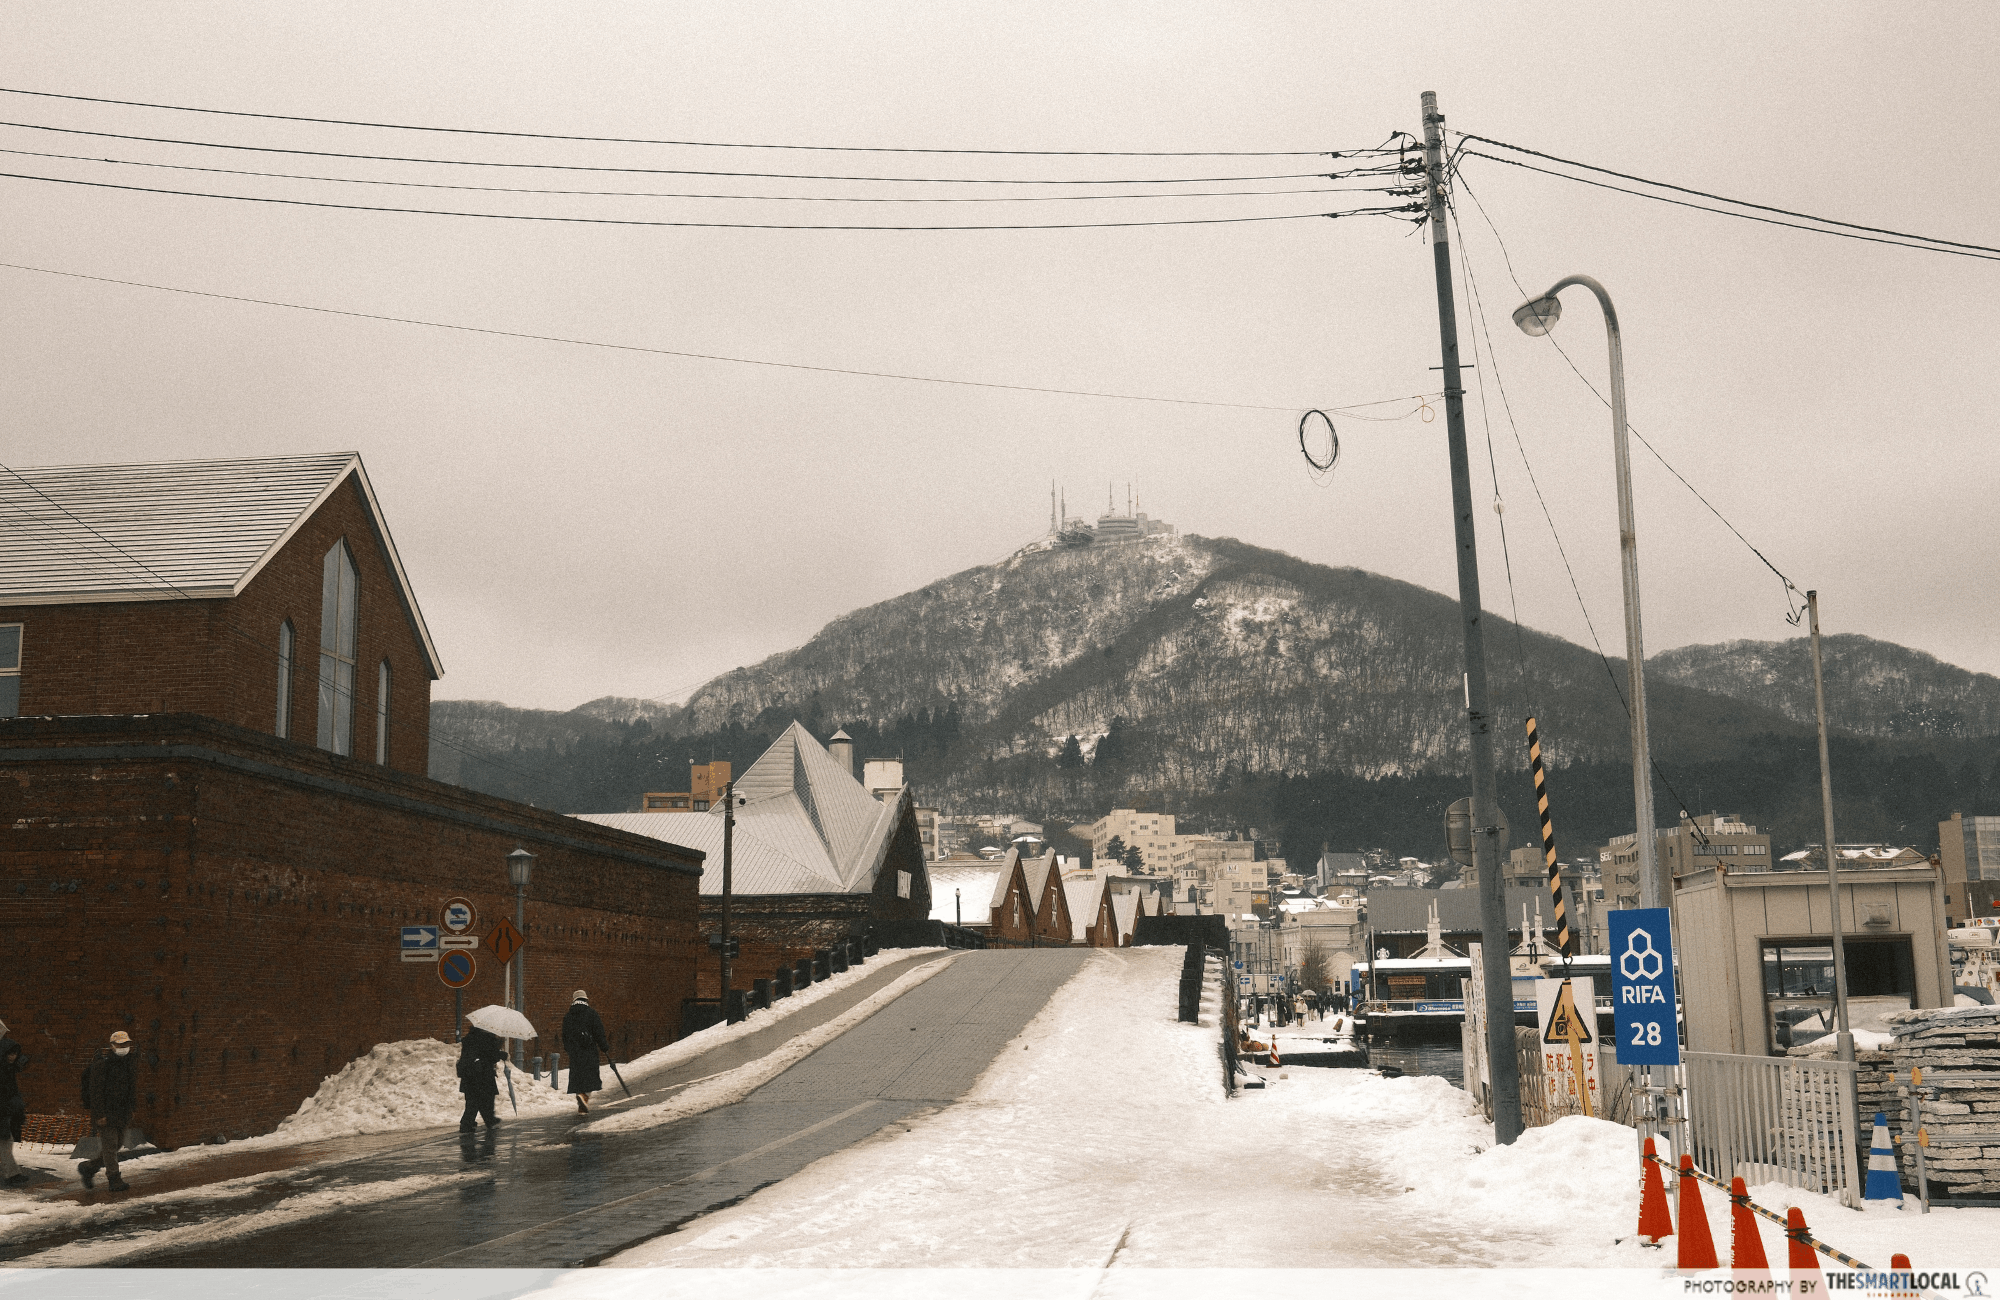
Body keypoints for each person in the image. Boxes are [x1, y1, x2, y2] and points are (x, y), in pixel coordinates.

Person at [78, 1029, 138, 1192]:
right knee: (110, 1146)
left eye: (126, 1044)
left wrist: (132, 1108)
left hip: (122, 1112)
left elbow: (131, 1089)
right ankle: (114, 1179)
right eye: (120, 1045)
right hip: (106, 1113)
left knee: (117, 1144)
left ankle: (89, 1168)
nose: (123, 1048)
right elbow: (96, 1092)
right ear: (112, 1046)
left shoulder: (129, 1064)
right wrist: (100, 1114)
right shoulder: (103, 1065)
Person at [561, 990, 610, 1114]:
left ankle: (581, 1105)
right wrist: (604, 1047)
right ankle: (584, 1097)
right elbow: (599, 1032)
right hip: (589, 1051)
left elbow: (565, 1035)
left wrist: (569, 1049)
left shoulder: (568, 1016)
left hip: (575, 1053)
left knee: (578, 1077)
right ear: (586, 1000)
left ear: (574, 1000)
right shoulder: (591, 1014)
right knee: (590, 1077)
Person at [456, 1023, 504, 1132]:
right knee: (485, 1099)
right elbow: (491, 1056)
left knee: (473, 1101)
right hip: (482, 1075)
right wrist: (500, 1052)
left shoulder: (470, 1038)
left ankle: (471, 1123)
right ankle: (482, 1121)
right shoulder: (486, 1038)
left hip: (470, 1076)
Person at [0, 1021, 28, 1185]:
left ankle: (12, 1174)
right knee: (5, 1142)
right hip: (2, 1112)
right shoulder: (4, 1071)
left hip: (5, 1112)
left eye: (15, 1054)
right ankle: (12, 1175)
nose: (13, 1056)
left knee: (6, 1142)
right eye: (10, 1054)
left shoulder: (8, 1069)